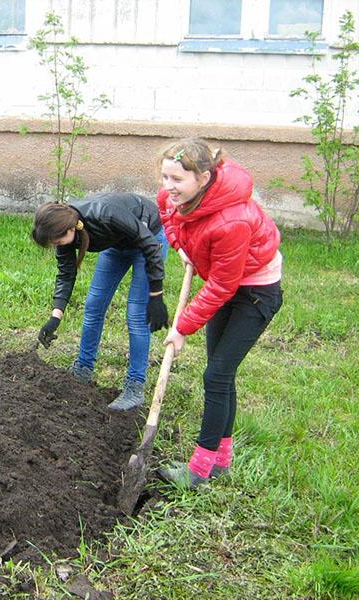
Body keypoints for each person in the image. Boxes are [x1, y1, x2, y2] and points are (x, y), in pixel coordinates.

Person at [156, 138, 283, 489]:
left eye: (177, 180)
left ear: (204, 177)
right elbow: (168, 217)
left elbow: (222, 287)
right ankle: (221, 461)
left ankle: (198, 470)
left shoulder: (232, 220)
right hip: (226, 281)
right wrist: (182, 247)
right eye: (165, 177)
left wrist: (181, 327)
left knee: (216, 375)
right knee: (221, 374)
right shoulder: (174, 197)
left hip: (255, 291)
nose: (168, 187)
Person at [31, 192, 169, 410]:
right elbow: (66, 274)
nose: (56, 245)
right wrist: (55, 317)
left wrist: (156, 296)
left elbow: (149, 245)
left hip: (148, 239)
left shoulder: (105, 215)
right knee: (94, 305)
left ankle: (135, 386)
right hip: (116, 245)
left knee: (136, 315)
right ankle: (83, 369)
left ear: (70, 228)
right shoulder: (65, 229)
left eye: (57, 241)